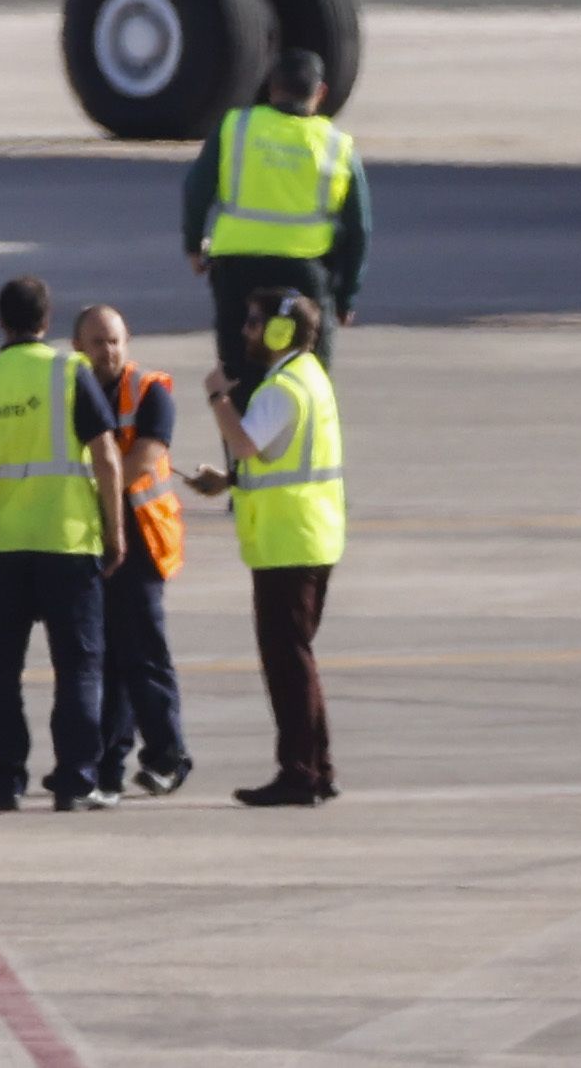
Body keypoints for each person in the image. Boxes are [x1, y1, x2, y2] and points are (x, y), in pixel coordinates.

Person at [0, 273, 127, 811]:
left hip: (0, 547)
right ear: (46, 322)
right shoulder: (70, 372)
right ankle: (74, 780)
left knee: (2, 673)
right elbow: (107, 457)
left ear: (1, 321)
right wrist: (115, 532)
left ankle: (4, 782)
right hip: (67, 542)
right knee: (78, 667)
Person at [192, 292, 349, 805]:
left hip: (288, 542)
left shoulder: (281, 388)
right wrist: (231, 482)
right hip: (305, 537)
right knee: (295, 657)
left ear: (281, 332)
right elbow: (270, 457)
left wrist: (218, 398)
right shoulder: (308, 377)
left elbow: (245, 443)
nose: (246, 332)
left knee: (287, 661)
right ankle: (315, 767)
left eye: (256, 324)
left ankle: (300, 772)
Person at [185, 45, 367, 392]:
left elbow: (196, 191)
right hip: (306, 276)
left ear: (271, 87)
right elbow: (360, 228)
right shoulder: (337, 146)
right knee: (305, 382)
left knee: (238, 377)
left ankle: (241, 443)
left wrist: (194, 245)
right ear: (321, 93)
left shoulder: (234, 129)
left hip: (238, 271)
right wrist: (346, 297)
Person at [72, 301, 196, 797]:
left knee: (144, 653)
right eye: (99, 341)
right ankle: (108, 766)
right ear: (78, 346)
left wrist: (91, 488)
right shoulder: (71, 389)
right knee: (106, 658)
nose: (110, 350)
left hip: (141, 540)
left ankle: (169, 754)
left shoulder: (149, 392)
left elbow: (141, 461)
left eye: (117, 340)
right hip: (92, 537)